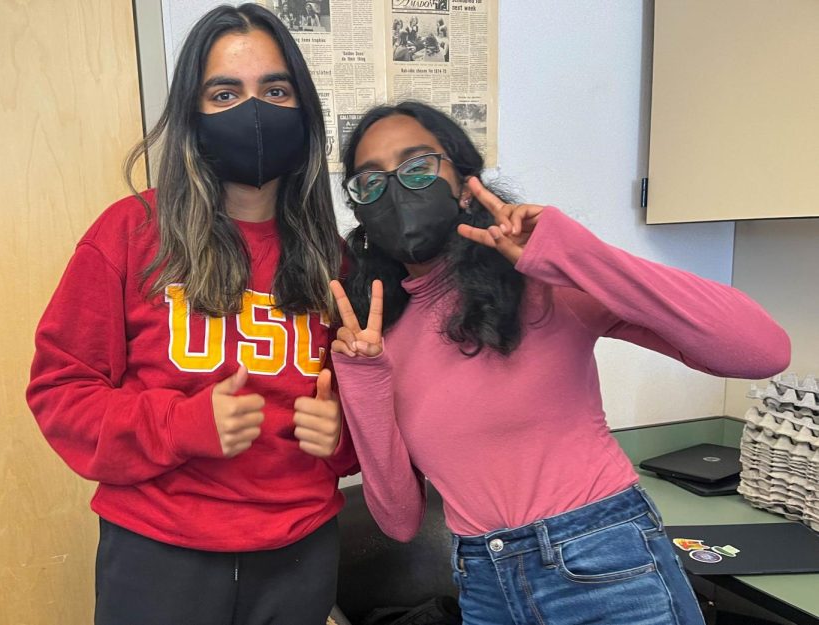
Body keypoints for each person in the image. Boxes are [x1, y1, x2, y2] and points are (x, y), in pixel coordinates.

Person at [329, 101, 790, 624]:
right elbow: (400, 521)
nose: (396, 190)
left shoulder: (542, 280)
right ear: (360, 210)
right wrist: (363, 380)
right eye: (370, 182)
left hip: (604, 561)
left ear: (463, 183)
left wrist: (573, 254)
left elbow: (762, 350)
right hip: (483, 582)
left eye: (417, 167)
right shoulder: (378, 334)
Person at [27, 5, 356, 625]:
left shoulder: (331, 258)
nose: (253, 110)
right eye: (225, 92)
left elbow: (365, 414)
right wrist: (179, 426)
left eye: (275, 90)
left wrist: (343, 439)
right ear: (192, 114)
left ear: (304, 109)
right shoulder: (131, 233)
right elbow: (59, 392)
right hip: (159, 551)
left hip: (300, 551)